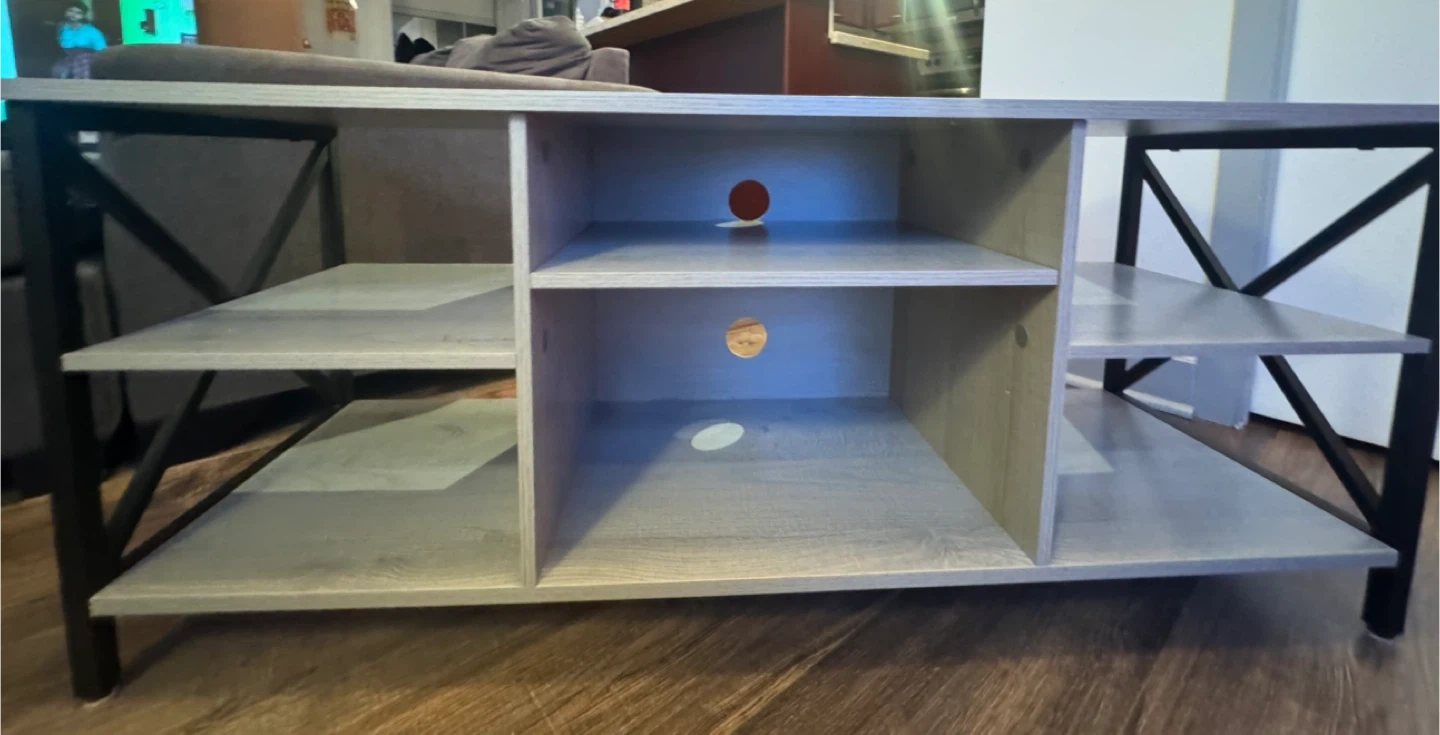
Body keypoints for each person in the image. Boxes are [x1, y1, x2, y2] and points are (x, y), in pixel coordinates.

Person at [53, 2, 107, 80]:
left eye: (78, 13)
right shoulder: (62, 29)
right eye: (71, 11)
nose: (73, 14)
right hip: (66, 58)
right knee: (58, 71)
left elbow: (102, 51)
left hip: (86, 58)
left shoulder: (92, 31)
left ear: (83, 16)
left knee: (82, 68)